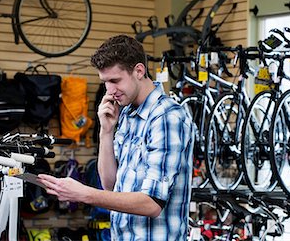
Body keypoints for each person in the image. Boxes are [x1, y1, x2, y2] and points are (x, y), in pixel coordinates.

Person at [38, 34, 194, 240]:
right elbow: (111, 185)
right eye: (105, 82)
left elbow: (152, 204)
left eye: (115, 81)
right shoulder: (127, 112)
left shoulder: (166, 118)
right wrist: (106, 132)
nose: (110, 91)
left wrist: (84, 193)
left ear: (139, 71)